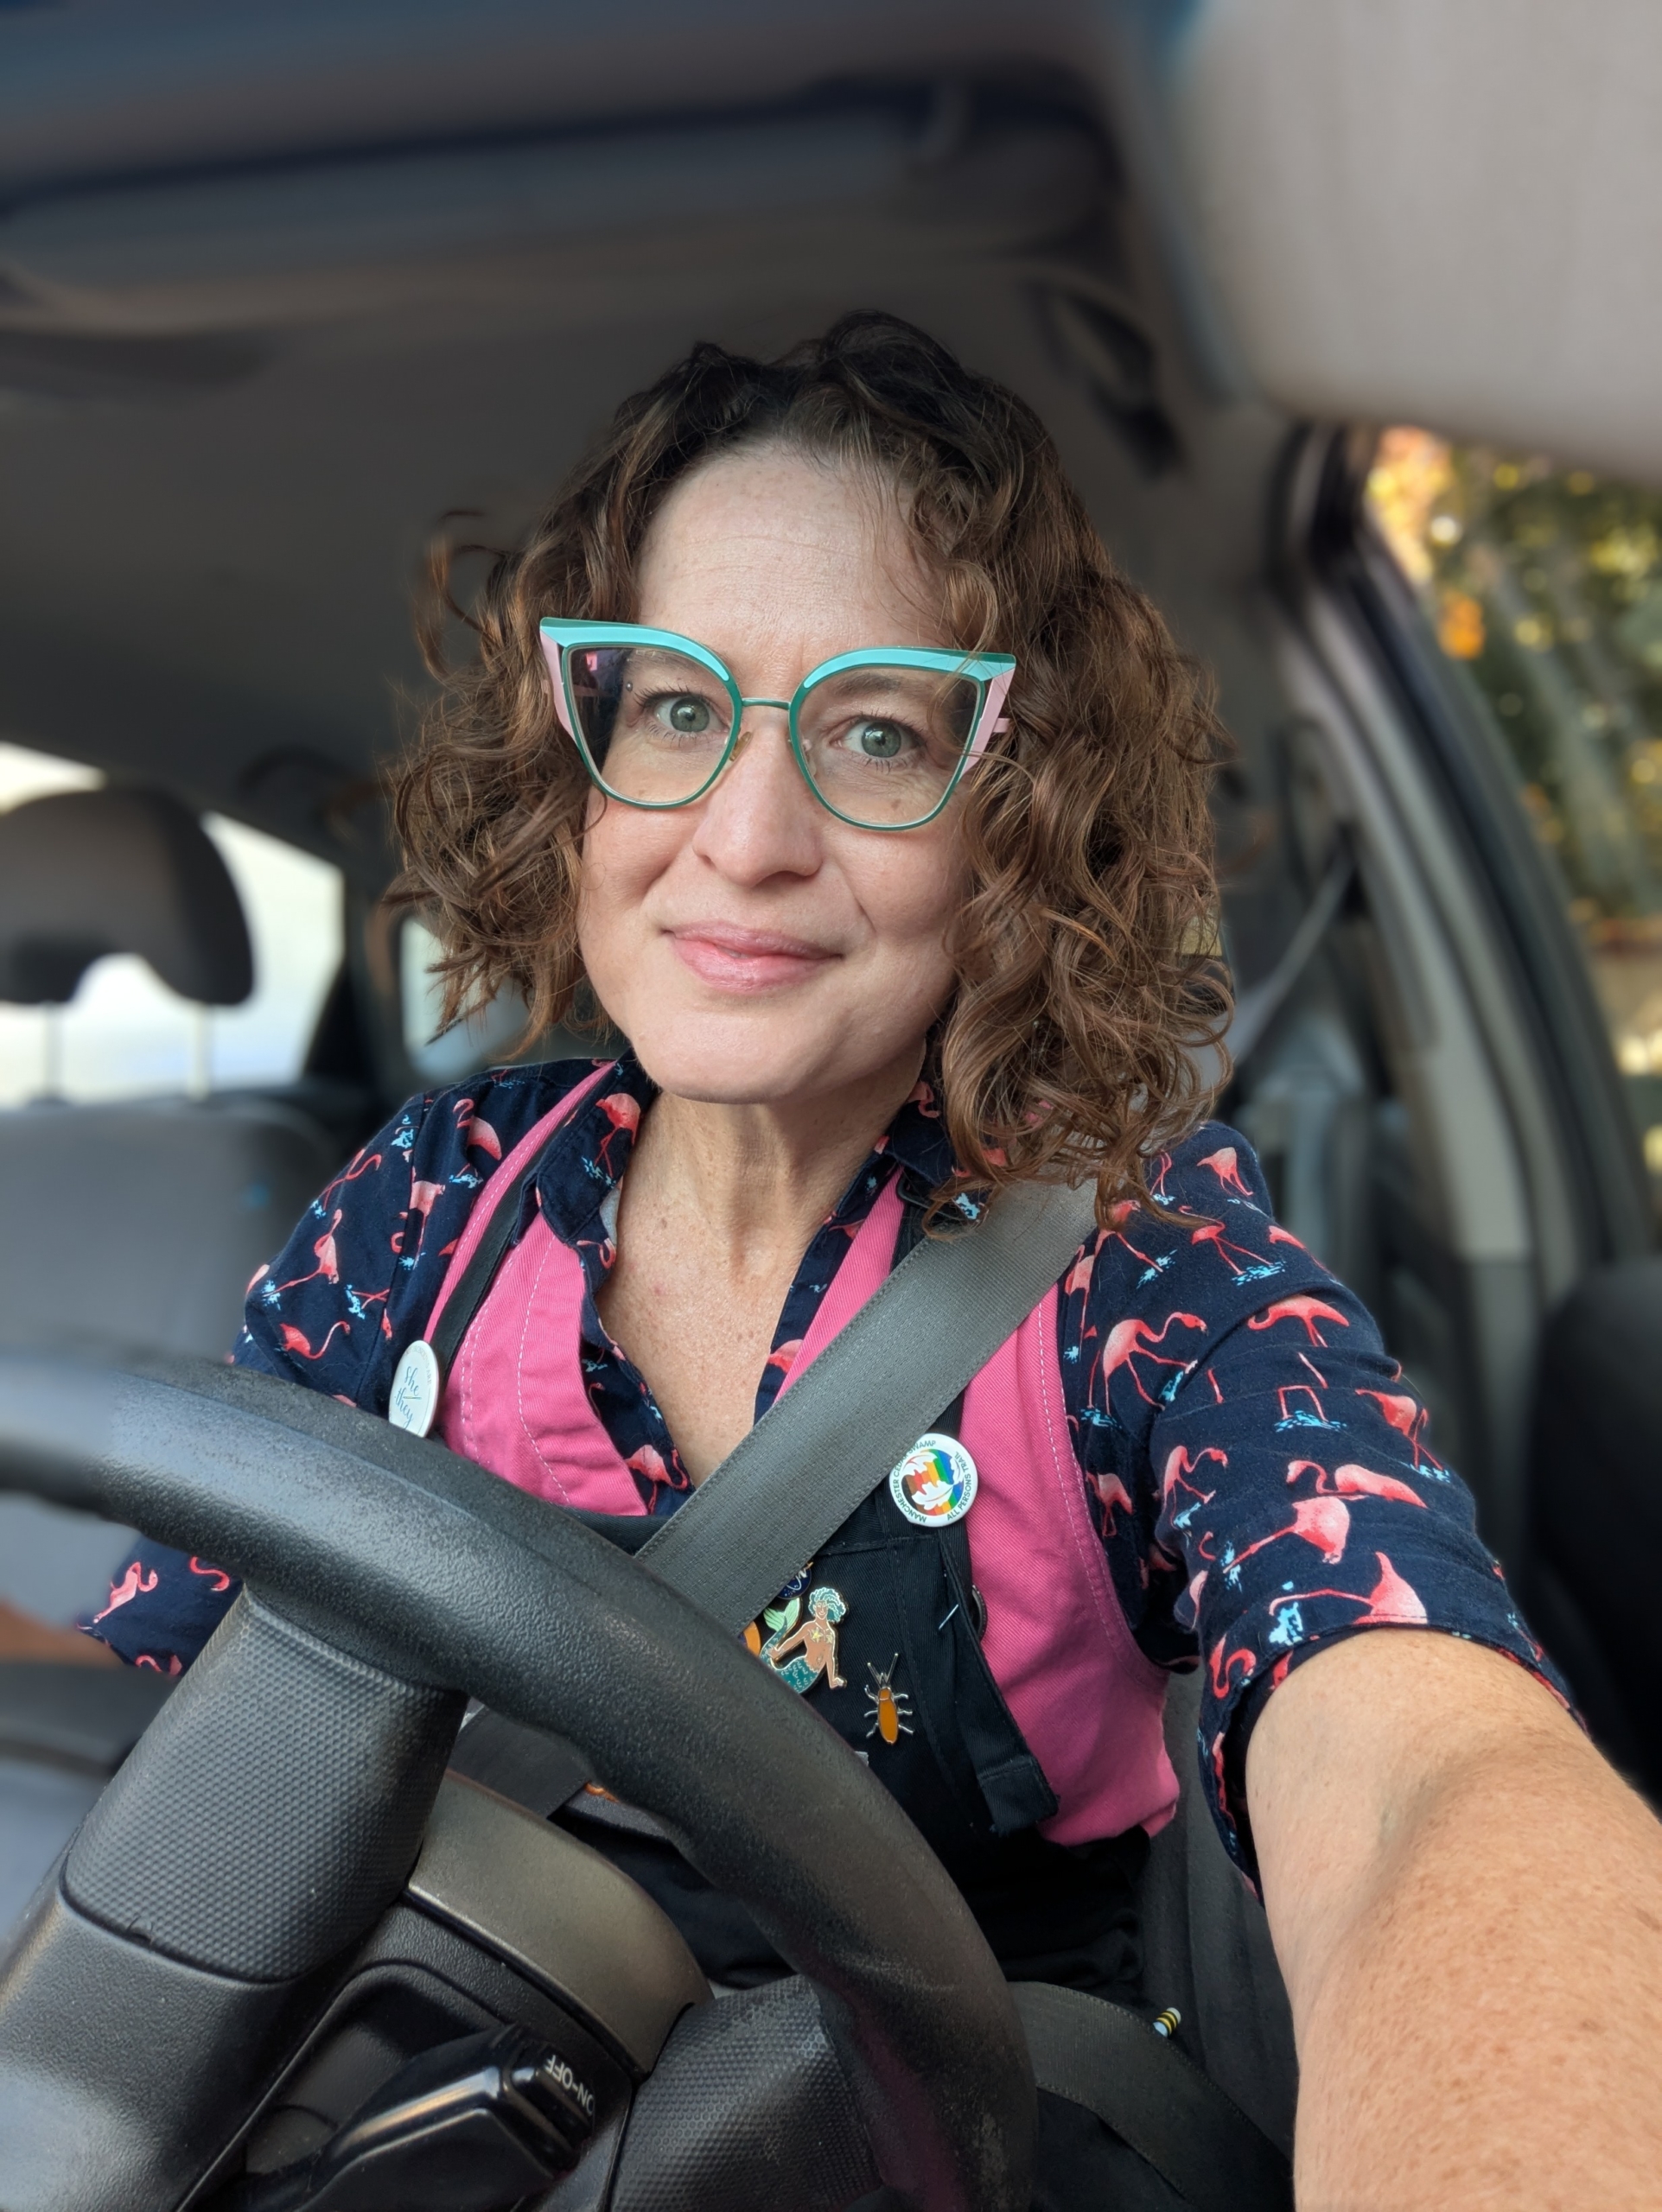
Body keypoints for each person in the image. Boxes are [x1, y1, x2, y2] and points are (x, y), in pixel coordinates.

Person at [86, 315, 1662, 2206]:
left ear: (1012, 824)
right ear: (578, 765)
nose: (742, 839)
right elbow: (152, 1712)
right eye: (675, 707)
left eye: (874, 732)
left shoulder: (1133, 1254)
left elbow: (1427, 1763)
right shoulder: (435, 1200)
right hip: (449, 2118)